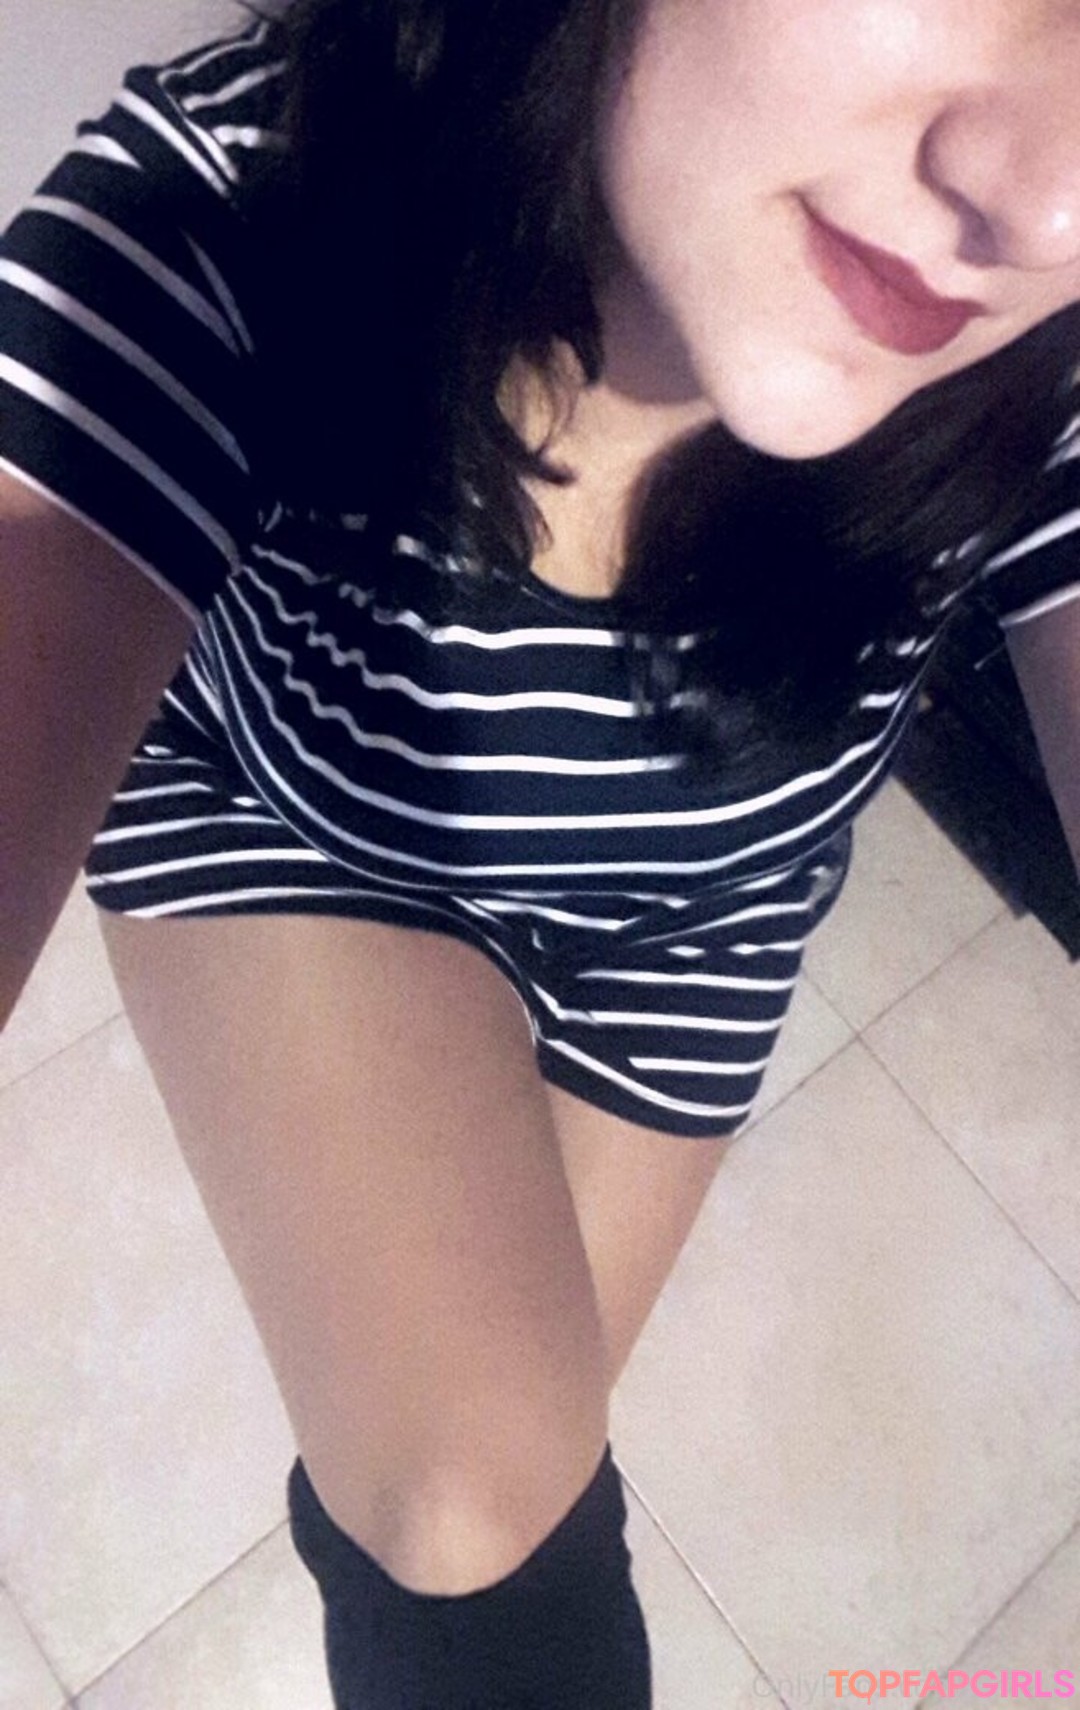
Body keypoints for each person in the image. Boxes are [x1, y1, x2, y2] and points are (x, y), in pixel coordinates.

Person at [2, 1, 1079, 1703]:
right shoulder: (222, 220)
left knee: (511, 1427)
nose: (1054, 209)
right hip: (296, 831)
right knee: (474, 1514)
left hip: (702, 922)